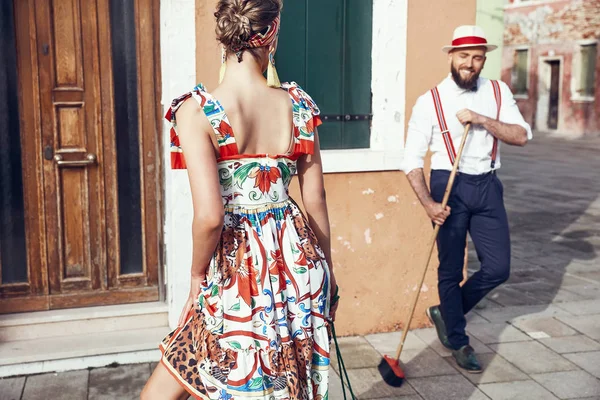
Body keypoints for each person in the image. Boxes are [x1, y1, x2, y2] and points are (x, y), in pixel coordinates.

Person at [141, 1, 338, 398]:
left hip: (235, 269)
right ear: (272, 36)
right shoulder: (299, 106)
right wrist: (328, 272)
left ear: (223, 37)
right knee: (278, 383)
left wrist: (197, 276)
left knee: (167, 388)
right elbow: (314, 199)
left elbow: (211, 217)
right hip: (297, 266)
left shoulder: (197, 112)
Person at [401, 25, 532, 373]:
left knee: (497, 268)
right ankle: (458, 340)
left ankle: (447, 311)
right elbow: (411, 161)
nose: (469, 64)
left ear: (483, 59)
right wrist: (428, 204)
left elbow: (521, 135)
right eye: (463, 56)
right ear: (451, 57)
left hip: (488, 184)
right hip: (449, 185)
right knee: (449, 267)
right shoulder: (430, 101)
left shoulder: (499, 92)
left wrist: (482, 119)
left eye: (477, 57)